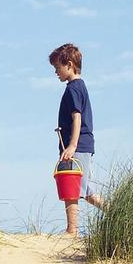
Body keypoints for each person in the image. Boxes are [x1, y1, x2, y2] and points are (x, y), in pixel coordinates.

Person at [49, 43, 104, 236]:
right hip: (83, 144)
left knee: (70, 182)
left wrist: (72, 145)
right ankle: (117, 213)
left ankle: (72, 229)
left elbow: (77, 117)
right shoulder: (79, 86)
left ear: (70, 64)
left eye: (58, 67)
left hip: (78, 145)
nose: (56, 72)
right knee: (86, 189)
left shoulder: (74, 88)